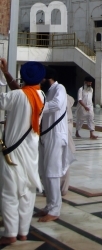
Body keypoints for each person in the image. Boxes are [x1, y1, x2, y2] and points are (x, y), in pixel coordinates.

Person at [0, 59, 45, 245]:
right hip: (31, 153)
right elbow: (21, 92)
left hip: (13, 154)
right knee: (27, 192)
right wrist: (6, 73)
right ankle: (23, 232)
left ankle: (10, 233)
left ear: (23, 78)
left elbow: (8, 98)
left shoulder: (16, 96)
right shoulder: (41, 95)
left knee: (10, 193)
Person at [35, 68, 74, 222]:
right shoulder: (49, 91)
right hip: (47, 136)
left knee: (52, 172)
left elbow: (57, 105)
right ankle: (49, 205)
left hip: (56, 136)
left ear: (47, 78)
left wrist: (37, 105)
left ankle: (55, 209)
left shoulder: (60, 88)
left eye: (42, 79)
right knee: (45, 172)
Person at [60, 94, 75, 195]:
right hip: (67, 125)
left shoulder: (56, 97)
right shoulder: (68, 97)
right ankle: (62, 187)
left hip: (64, 125)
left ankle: (63, 188)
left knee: (64, 157)